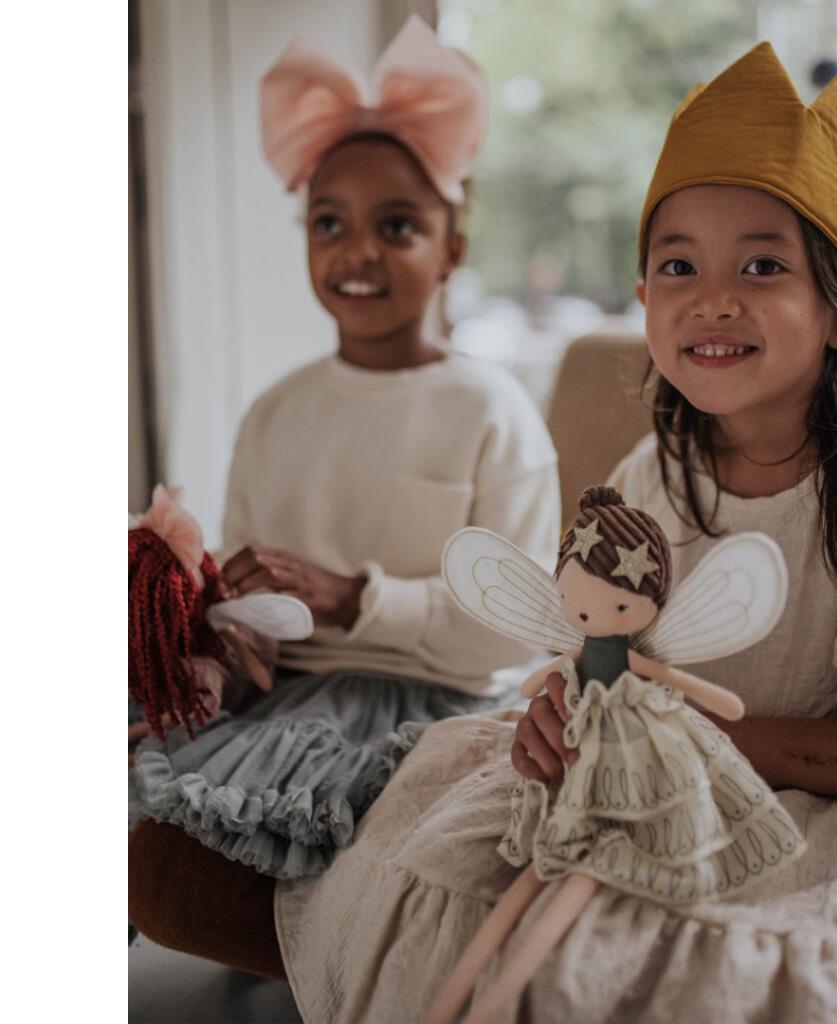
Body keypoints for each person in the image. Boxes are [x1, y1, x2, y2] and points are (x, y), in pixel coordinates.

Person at [264, 43, 837, 1023]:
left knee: (682, 961)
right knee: (446, 891)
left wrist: (704, 742)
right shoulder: (651, 474)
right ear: (645, 301)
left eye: (763, 265)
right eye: (677, 265)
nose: (712, 296)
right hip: (643, 777)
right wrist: (564, 718)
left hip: (806, 808)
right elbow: (598, 647)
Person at [128, 16, 560, 979]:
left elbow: (517, 630)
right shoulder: (276, 414)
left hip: (447, 713)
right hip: (291, 705)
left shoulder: (494, 412)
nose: (357, 251)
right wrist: (213, 648)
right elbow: (252, 624)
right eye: (329, 223)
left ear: (451, 249)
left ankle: (366, 959)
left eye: (396, 225)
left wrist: (354, 595)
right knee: (149, 851)